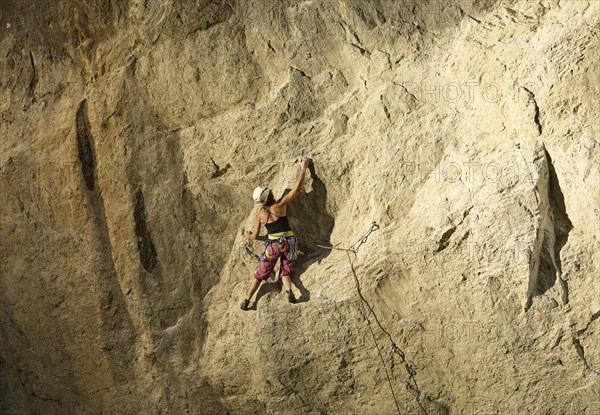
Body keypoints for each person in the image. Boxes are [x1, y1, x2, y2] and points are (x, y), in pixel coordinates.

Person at [240, 158, 309, 311]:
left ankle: (246, 300)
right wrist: (303, 168)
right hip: (290, 242)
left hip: (273, 246)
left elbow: (255, 235)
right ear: (269, 194)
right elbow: (297, 190)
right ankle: (289, 291)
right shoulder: (279, 205)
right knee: (285, 270)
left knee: (261, 274)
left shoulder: (260, 215)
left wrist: (247, 234)